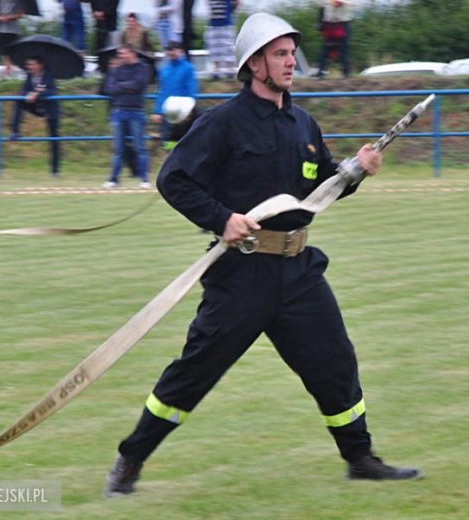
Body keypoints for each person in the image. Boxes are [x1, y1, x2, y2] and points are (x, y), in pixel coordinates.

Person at [103, 13, 422, 497]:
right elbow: (174, 180)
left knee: (335, 362)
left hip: (298, 272)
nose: (291, 61)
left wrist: (356, 171)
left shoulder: (302, 123)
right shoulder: (221, 123)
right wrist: (221, 218)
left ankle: (360, 459)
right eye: (280, 54)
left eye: (292, 53)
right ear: (254, 64)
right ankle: (130, 460)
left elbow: (319, 186)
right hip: (241, 275)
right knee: (193, 374)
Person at [102, 44, 151, 189]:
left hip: (136, 111)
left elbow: (139, 84)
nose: (120, 56)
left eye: (123, 53)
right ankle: (113, 179)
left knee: (139, 147)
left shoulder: (143, 68)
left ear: (132, 53)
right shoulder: (116, 70)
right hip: (118, 111)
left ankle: (144, 179)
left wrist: (121, 87)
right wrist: (127, 88)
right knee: (118, 148)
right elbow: (109, 89)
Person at [9, 55, 61, 176]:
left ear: (40, 65)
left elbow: (52, 90)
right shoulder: (29, 75)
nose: (29, 67)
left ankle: (55, 170)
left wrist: (37, 94)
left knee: (54, 139)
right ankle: (15, 131)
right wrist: (29, 94)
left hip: (50, 109)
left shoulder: (49, 74)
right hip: (36, 106)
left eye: (31, 64)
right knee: (19, 101)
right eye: (28, 64)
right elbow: (24, 90)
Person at [151, 41, 198, 150]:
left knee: (185, 144)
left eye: (174, 49)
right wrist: (157, 111)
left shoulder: (187, 68)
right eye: (169, 50)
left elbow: (191, 90)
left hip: (182, 112)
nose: (172, 52)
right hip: (167, 112)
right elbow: (161, 91)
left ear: (180, 51)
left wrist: (189, 110)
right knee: (167, 144)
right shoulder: (164, 70)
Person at [315, 0, 353, 79]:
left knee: (344, 49)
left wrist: (341, 2)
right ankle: (321, 72)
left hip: (343, 23)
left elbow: (352, 3)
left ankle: (346, 72)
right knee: (325, 50)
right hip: (329, 24)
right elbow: (320, 3)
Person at [205, 0, 239, 80]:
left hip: (226, 23)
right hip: (213, 23)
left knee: (229, 47)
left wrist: (232, 7)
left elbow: (237, 3)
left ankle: (231, 69)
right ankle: (216, 70)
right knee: (215, 48)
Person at [0, 0, 24, 78]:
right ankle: (7, 68)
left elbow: (20, 14)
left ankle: (10, 68)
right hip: (1, 28)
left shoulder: (17, 2)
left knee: (12, 50)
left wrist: (9, 17)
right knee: (3, 50)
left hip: (12, 30)